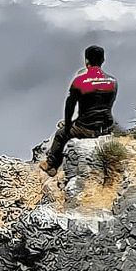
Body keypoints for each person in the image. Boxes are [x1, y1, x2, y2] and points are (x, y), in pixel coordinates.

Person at [42, 44, 118, 174]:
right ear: (103, 60)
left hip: (86, 128)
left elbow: (69, 107)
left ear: (86, 61)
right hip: (106, 128)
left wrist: (68, 126)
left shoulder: (80, 82)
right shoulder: (112, 82)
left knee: (60, 135)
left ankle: (51, 164)